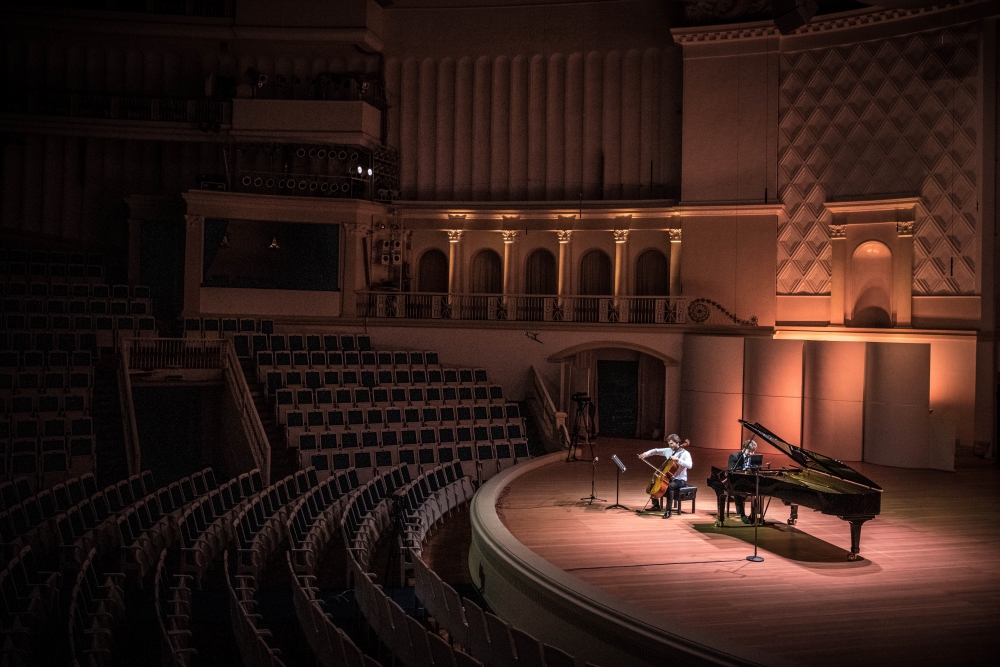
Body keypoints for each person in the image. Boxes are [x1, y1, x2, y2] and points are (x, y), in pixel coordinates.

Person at [639, 434, 692, 518]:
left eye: (671, 443)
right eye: (669, 443)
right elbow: (656, 451)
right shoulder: (669, 450)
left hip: (680, 480)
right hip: (669, 477)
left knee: (670, 486)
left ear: (677, 443)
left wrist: (678, 460)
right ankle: (656, 506)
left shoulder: (685, 454)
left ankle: (668, 511)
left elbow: (689, 465)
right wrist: (645, 454)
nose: (669, 445)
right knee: (655, 481)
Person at [728, 438, 757, 524]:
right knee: (739, 491)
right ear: (744, 448)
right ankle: (742, 515)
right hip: (736, 482)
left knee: (759, 491)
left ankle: (754, 515)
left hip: (748, 482)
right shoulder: (734, 456)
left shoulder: (753, 458)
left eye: (753, 451)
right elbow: (732, 471)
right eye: (750, 451)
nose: (752, 453)